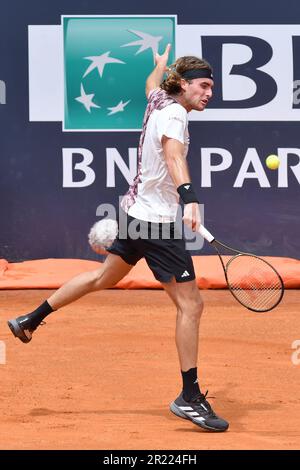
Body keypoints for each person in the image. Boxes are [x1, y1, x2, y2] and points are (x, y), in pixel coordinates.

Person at [7, 44, 229, 432]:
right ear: (185, 85)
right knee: (191, 306)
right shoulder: (175, 113)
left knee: (103, 277)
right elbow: (175, 156)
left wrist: (159, 67)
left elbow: (150, 84)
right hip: (157, 223)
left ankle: (31, 318)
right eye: (204, 85)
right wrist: (190, 198)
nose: (209, 93)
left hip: (133, 212)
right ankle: (189, 397)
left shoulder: (160, 98)